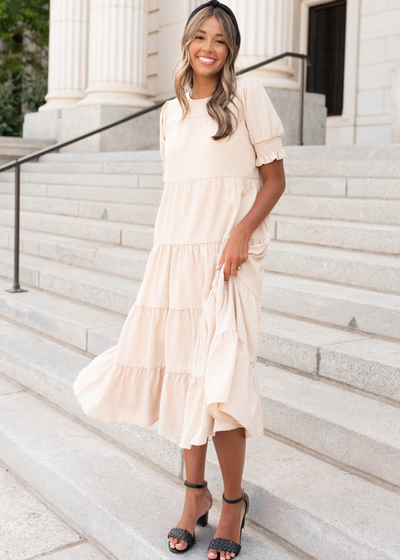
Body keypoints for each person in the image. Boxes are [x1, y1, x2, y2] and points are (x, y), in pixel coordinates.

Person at [72, 1, 286, 558]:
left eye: (220, 39)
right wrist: (162, 261)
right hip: (175, 257)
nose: (208, 47)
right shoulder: (170, 112)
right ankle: (194, 497)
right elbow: (179, 195)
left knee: (224, 383)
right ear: (187, 43)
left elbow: (274, 180)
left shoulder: (248, 99)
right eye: (199, 36)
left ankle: (233, 504)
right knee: (188, 377)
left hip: (228, 261)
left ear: (231, 48)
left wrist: (239, 234)